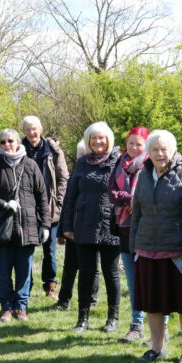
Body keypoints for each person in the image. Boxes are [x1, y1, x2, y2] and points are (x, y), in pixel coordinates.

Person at [130, 129, 182, 363]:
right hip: (147, 248)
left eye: (164, 148)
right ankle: (157, 348)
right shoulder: (144, 174)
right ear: (149, 151)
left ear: (174, 149)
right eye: (155, 149)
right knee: (152, 304)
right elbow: (136, 210)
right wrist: (133, 246)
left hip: (177, 252)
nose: (159, 153)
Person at [0, 129, 51, 322]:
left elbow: (42, 197)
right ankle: (6, 307)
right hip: (2, 229)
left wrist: (45, 225)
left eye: (10, 140)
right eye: (3, 142)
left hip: (27, 228)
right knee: (3, 272)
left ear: (18, 142)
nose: (7, 144)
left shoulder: (31, 165)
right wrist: (3, 204)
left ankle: (21, 306)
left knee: (25, 272)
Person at [59, 121, 120, 333]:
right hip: (83, 226)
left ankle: (113, 318)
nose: (98, 141)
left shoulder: (118, 162)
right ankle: (82, 319)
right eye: (93, 138)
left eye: (101, 137)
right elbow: (71, 195)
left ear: (109, 139)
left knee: (111, 273)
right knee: (85, 273)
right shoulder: (82, 163)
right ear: (88, 141)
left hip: (110, 226)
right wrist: (65, 226)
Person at [108, 126, 151, 342]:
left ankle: (159, 329)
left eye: (139, 144)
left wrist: (138, 202)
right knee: (133, 281)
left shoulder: (152, 164)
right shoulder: (120, 162)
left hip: (146, 230)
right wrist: (130, 200)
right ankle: (137, 324)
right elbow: (112, 194)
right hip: (124, 229)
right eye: (131, 143)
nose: (134, 148)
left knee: (150, 280)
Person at [22, 116, 69, 299]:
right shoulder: (19, 150)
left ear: (41, 129)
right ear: (24, 132)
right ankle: (26, 285)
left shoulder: (53, 150)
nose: (32, 133)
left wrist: (58, 203)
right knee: (27, 251)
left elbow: (63, 178)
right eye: (27, 129)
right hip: (27, 209)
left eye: (34, 129)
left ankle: (50, 285)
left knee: (50, 251)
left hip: (50, 209)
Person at [55, 139, 100, 310]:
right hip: (73, 227)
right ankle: (64, 300)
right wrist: (62, 230)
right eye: (80, 154)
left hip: (91, 229)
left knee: (93, 267)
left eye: (85, 153)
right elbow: (67, 203)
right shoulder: (75, 173)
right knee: (69, 266)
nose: (83, 156)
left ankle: (91, 300)